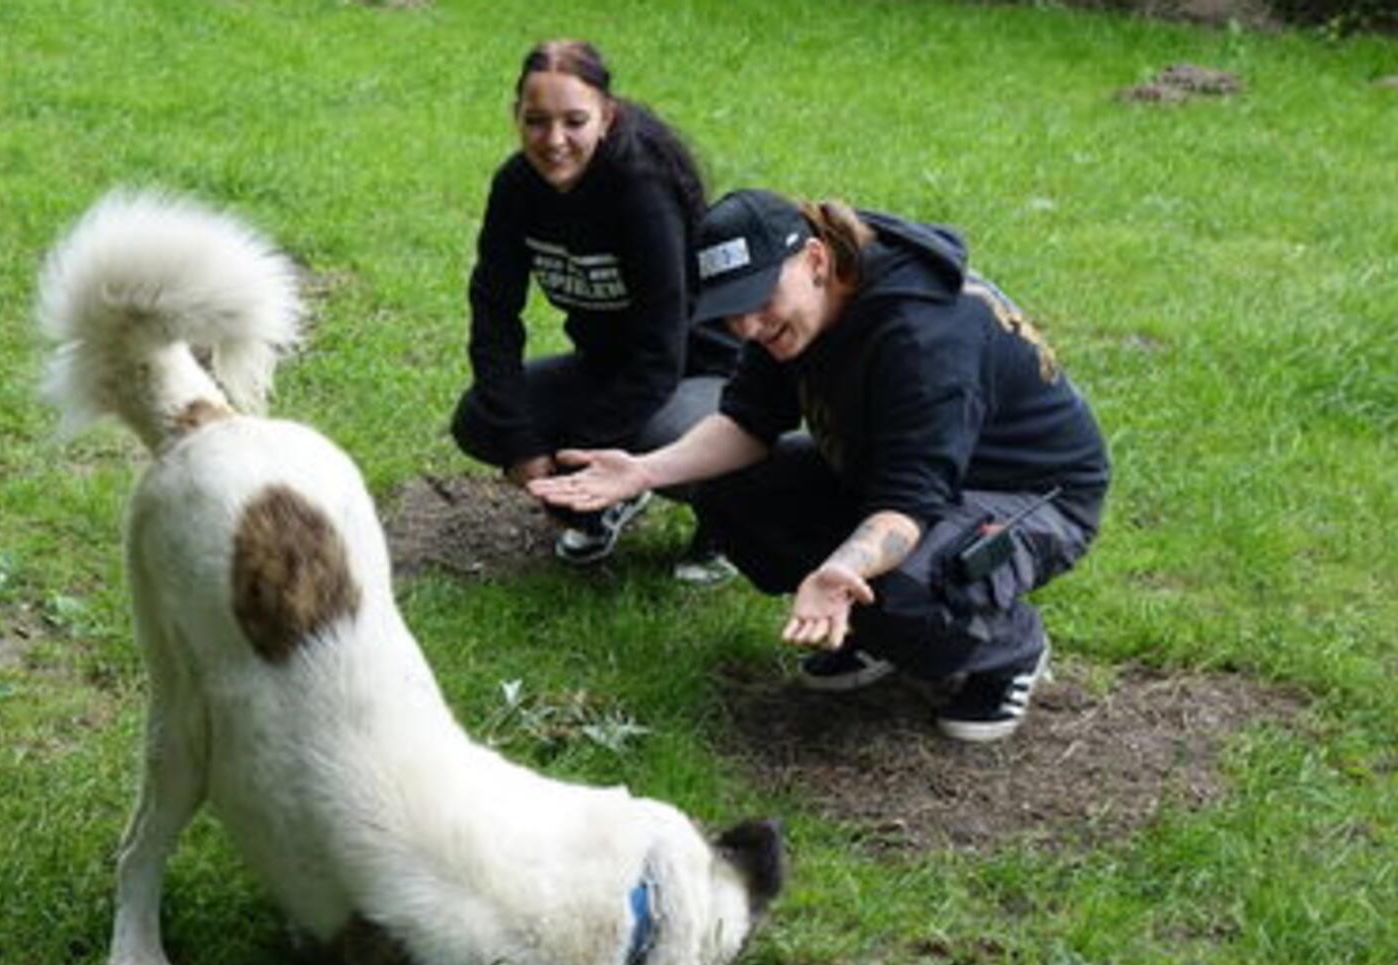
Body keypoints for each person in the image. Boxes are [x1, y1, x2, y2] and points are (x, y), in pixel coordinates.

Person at [529, 189, 1110, 742]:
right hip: (890, 473)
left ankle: (1009, 649)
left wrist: (842, 567)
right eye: (730, 312)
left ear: (814, 260)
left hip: (1031, 495)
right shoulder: (792, 314)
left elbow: (909, 501)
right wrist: (644, 471)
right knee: (731, 491)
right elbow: (747, 425)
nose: (748, 328)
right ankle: (877, 632)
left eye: (759, 302)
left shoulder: (921, 336)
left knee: (907, 590)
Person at [450, 40, 739, 580]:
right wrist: (521, 441)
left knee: (665, 440)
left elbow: (661, 350)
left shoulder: (640, 191)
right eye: (536, 121)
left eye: (574, 121)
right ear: (517, 117)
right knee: (480, 420)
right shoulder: (515, 187)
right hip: (611, 365)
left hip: (699, 369)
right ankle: (613, 496)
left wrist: (570, 463)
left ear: (607, 117)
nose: (554, 140)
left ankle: (728, 523)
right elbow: (493, 317)